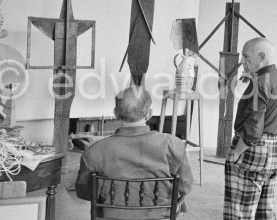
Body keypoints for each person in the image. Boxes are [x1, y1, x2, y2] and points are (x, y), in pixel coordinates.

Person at [75, 86, 193, 219]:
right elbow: (185, 187)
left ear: (115, 113)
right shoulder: (173, 144)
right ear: (149, 114)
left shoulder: (94, 151)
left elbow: (84, 192)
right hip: (160, 216)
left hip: (111, 217)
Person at [224, 37, 277, 220]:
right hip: (274, 150)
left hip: (254, 150)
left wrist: (236, 153)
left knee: (240, 211)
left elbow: (253, 130)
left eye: (246, 57)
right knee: (264, 210)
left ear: (261, 56)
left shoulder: (259, 82)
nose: (242, 62)